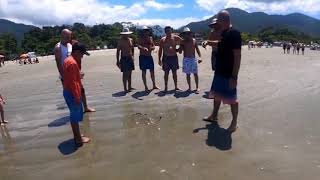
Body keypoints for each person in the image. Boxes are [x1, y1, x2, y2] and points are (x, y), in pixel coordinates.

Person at [203, 10, 242, 133]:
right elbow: (220, 44)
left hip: (228, 74)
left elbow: (237, 55)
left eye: (218, 21)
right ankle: (214, 115)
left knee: (232, 99)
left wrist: (234, 77)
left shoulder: (234, 33)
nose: (217, 23)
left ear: (223, 20)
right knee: (216, 95)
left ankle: (234, 122)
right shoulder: (225, 33)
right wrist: (209, 42)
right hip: (219, 72)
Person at [54, 29, 95, 113]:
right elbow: (58, 64)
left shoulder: (71, 44)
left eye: (70, 36)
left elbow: (79, 49)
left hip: (75, 71)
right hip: (66, 75)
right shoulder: (58, 48)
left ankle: (86, 107)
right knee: (70, 92)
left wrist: (85, 52)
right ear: (62, 36)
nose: (69, 38)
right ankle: (72, 110)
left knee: (81, 89)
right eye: (67, 36)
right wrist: (64, 77)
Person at [62, 43, 91, 146]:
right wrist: (77, 96)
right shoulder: (73, 63)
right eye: (82, 54)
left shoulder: (67, 60)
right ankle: (78, 139)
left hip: (67, 91)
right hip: (72, 92)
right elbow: (74, 83)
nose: (82, 57)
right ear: (77, 52)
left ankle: (77, 135)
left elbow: (68, 77)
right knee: (74, 117)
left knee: (73, 115)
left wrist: (78, 75)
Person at [158, 26, 182, 92]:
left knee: (174, 73)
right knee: (166, 73)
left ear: (171, 30)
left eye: (169, 30)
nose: (168, 32)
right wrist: (159, 59)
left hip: (174, 57)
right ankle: (166, 87)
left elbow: (183, 42)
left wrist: (179, 49)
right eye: (167, 31)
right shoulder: (163, 39)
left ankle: (176, 87)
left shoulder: (175, 37)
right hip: (166, 58)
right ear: (165, 32)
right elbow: (160, 50)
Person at [179, 27, 202, 93]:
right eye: (185, 34)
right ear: (183, 35)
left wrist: (200, 57)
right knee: (188, 74)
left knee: (195, 74)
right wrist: (181, 46)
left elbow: (197, 50)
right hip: (186, 59)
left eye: (188, 33)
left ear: (190, 34)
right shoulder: (182, 42)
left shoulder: (194, 41)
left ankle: (197, 87)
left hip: (193, 59)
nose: (187, 35)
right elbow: (180, 52)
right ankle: (189, 87)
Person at [137, 26, 160, 91]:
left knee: (152, 71)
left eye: (147, 30)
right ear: (142, 31)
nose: (146, 32)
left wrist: (152, 48)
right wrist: (143, 48)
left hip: (149, 57)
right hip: (143, 57)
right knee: (144, 72)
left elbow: (153, 46)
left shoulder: (150, 38)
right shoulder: (140, 38)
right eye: (144, 31)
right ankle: (146, 87)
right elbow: (138, 46)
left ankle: (154, 85)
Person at [117, 28, 135, 93]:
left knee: (130, 73)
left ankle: (129, 87)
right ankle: (125, 88)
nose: (126, 35)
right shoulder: (120, 41)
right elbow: (118, 51)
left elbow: (132, 48)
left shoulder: (131, 40)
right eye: (125, 34)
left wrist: (133, 56)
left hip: (130, 57)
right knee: (125, 74)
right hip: (124, 58)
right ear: (122, 35)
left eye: (127, 34)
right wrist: (117, 61)